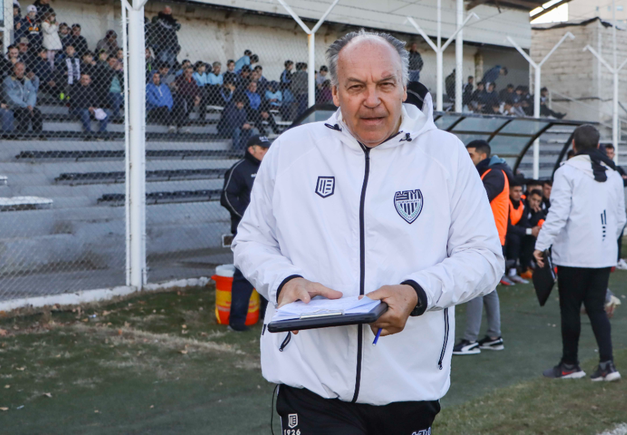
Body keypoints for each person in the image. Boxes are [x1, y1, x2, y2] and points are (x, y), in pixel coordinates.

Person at [233, 30, 503, 433]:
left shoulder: (445, 156)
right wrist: (285, 282)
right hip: (312, 385)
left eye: (385, 84)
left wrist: (416, 293)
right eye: (356, 86)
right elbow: (251, 240)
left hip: (408, 386)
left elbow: (484, 256)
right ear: (336, 91)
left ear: (403, 87)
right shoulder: (293, 151)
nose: (372, 99)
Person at [534, 124, 626, 382]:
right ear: (598, 146)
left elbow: (558, 214)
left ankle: (570, 364)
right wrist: (605, 242)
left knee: (570, 309)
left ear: (574, 145)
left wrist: (541, 245)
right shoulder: (614, 173)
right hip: (603, 253)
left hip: (574, 254)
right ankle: (608, 365)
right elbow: (620, 219)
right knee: (596, 308)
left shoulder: (567, 171)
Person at [453, 140, 514, 356]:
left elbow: (477, 199)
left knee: (476, 289)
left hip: (488, 238)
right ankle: (494, 336)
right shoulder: (491, 172)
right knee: (488, 289)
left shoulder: (494, 174)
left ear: (482, 155)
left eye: (471, 155)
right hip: (491, 237)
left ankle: (470, 339)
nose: (468, 159)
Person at [220, 135, 273, 330]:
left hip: (269, 231)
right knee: (244, 275)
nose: (266, 152)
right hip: (246, 233)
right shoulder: (238, 169)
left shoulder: (269, 167)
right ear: (251, 149)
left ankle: (266, 316)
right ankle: (236, 321)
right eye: (263, 148)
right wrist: (246, 218)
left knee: (269, 271)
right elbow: (227, 196)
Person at [4, 62, 43, 133]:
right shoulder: (8, 80)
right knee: (25, 112)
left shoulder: (27, 80)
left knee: (37, 112)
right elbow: (10, 96)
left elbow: (32, 92)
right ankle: (21, 134)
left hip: (27, 106)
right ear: (13, 69)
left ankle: (38, 134)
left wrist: (30, 104)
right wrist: (26, 106)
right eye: (17, 69)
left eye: (21, 69)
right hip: (14, 106)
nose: (20, 71)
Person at [172, 65, 201, 132]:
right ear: (184, 72)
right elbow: (182, 90)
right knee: (186, 101)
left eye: (191, 73)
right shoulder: (179, 78)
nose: (189, 74)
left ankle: (199, 120)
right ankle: (182, 123)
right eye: (187, 72)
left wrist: (198, 97)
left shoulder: (192, 80)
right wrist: (194, 96)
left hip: (190, 97)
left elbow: (196, 89)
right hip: (180, 96)